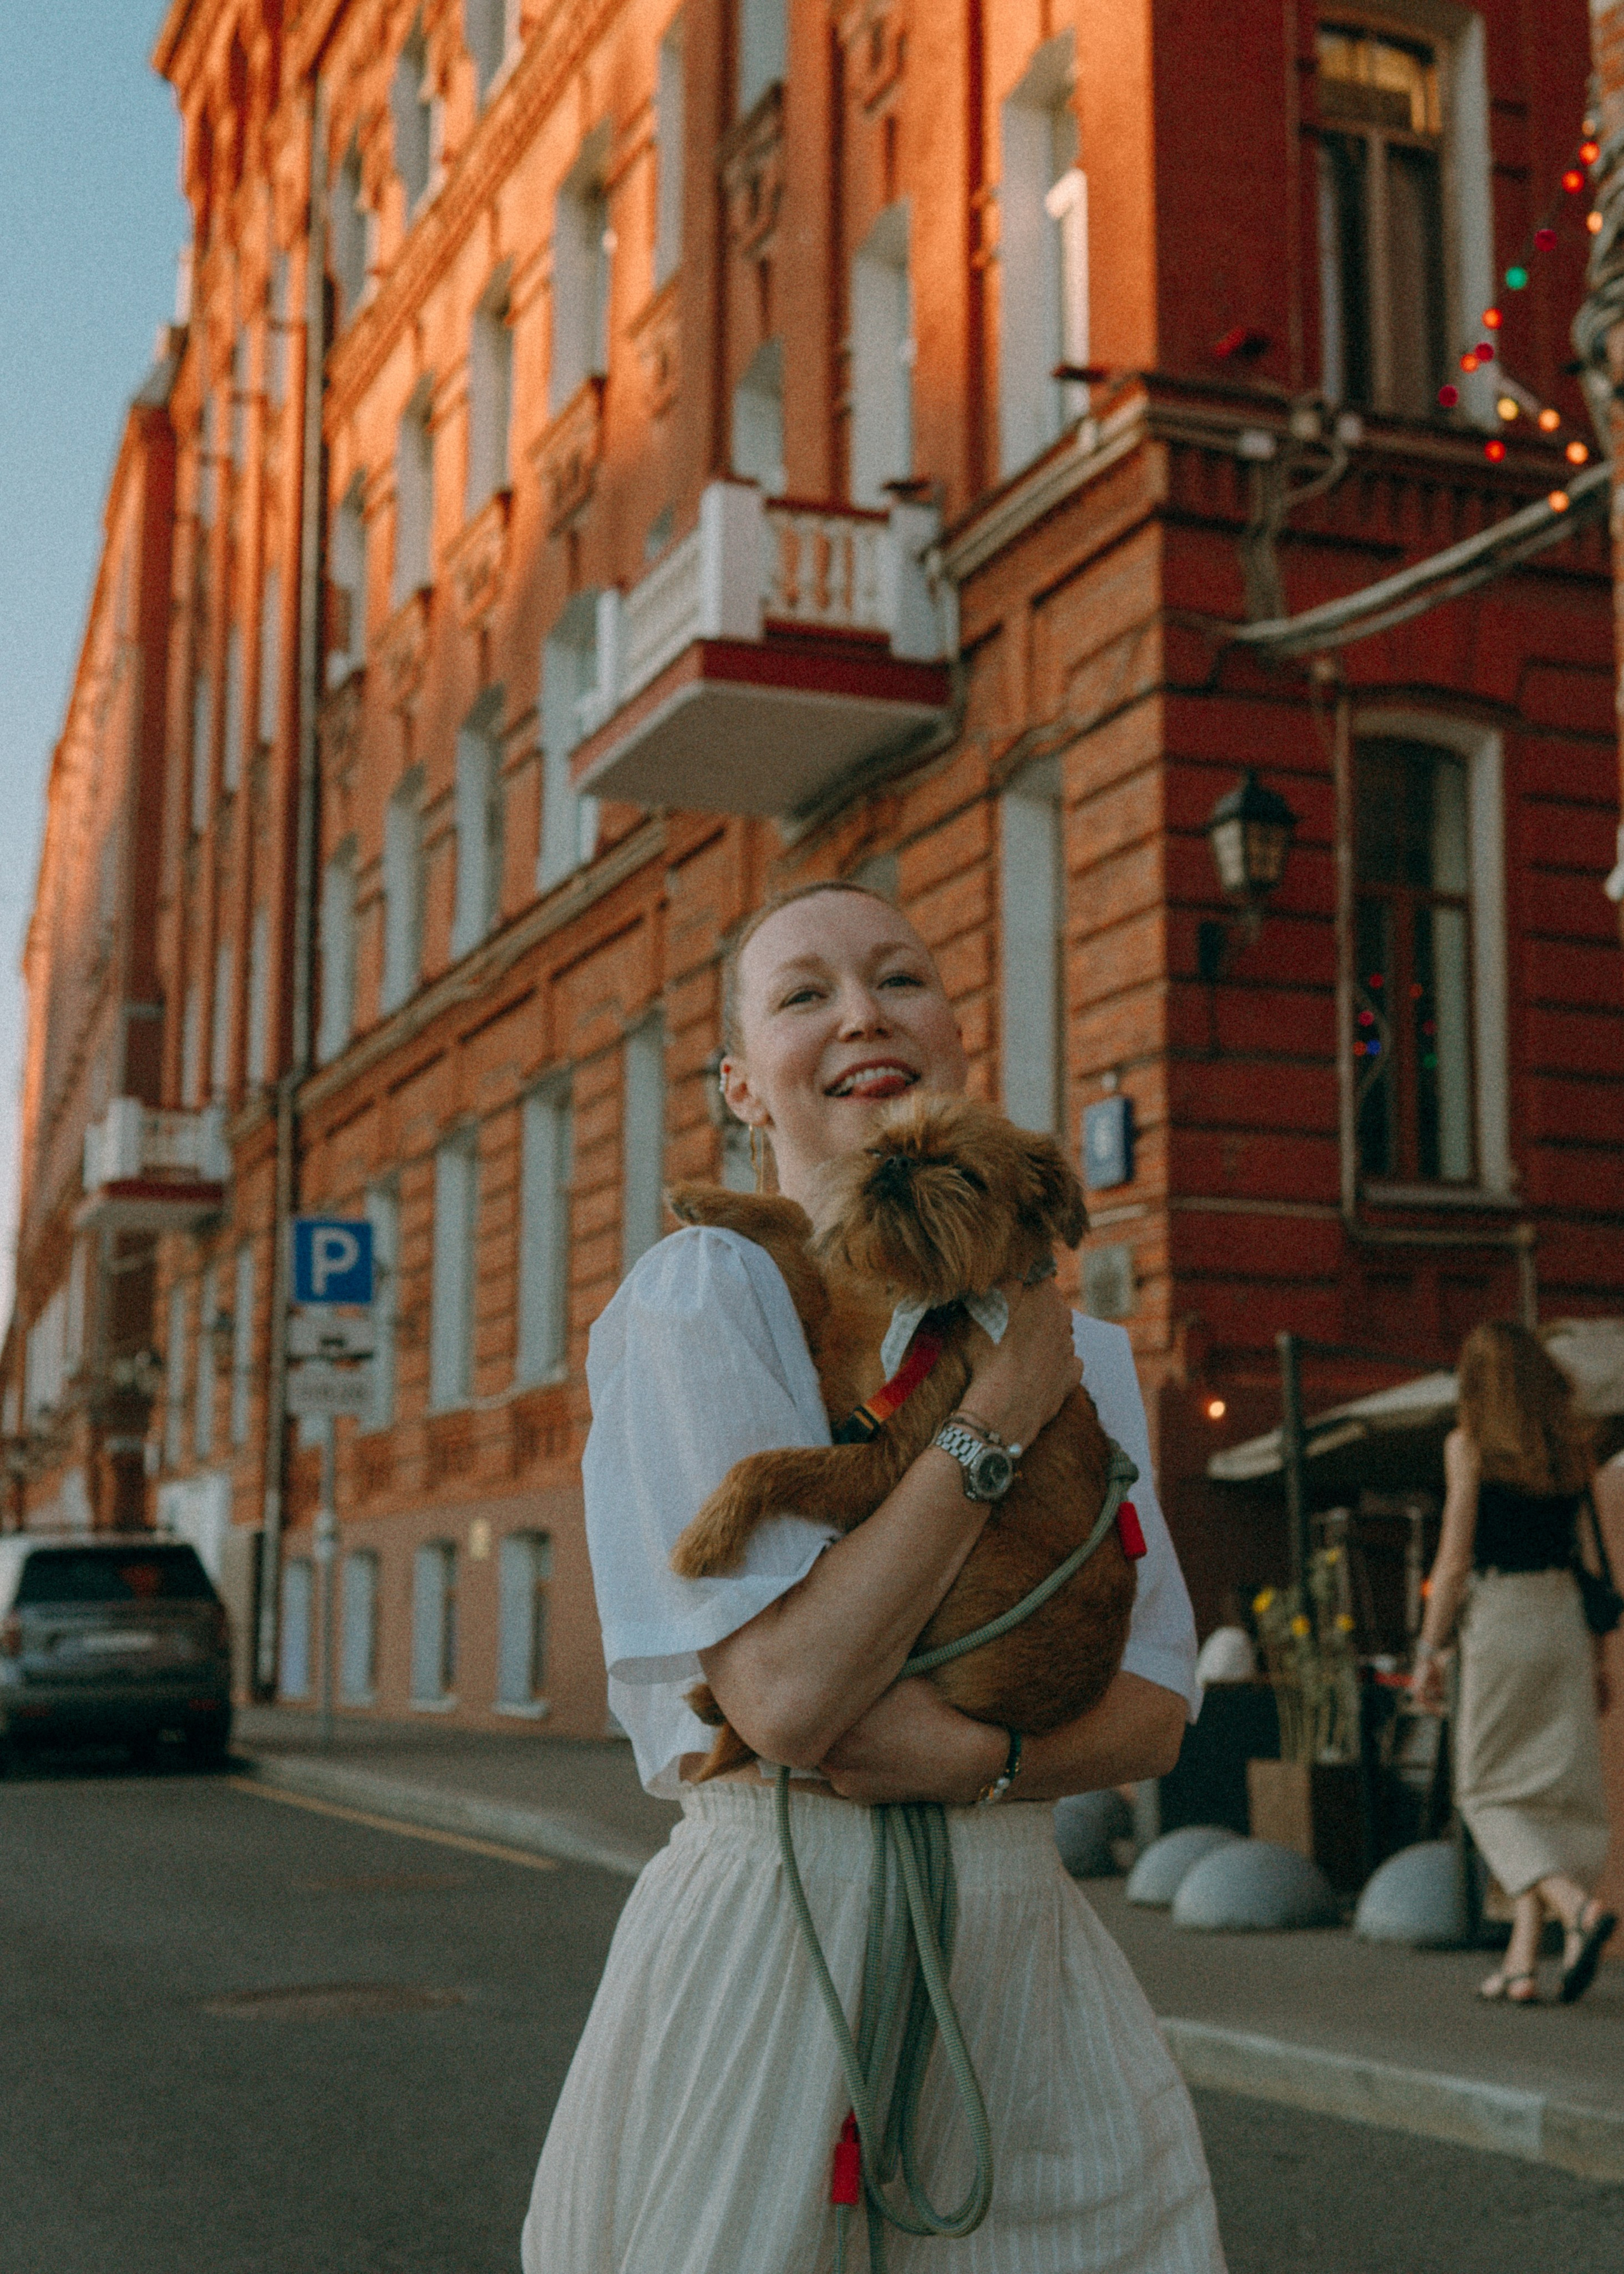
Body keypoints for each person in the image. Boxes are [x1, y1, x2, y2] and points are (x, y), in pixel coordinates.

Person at [521, 881, 1224, 2272]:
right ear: (742, 1085)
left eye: (901, 978)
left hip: (1020, 1948)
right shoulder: (708, 1292)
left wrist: (970, 1759)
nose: (862, 1014)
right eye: (804, 994)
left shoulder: (1080, 1348)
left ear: (953, 1034)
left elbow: (1155, 1709)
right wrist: (994, 1419)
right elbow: (788, 1700)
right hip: (782, 1937)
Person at [1411, 1320, 1616, 2005]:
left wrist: (1428, 1650)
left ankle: (1575, 1908)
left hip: (1501, 1619)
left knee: (1485, 1790)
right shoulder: (1571, 1448)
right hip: (1564, 1621)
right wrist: (1599, 1659)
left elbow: (1454, 1557)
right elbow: (1593, 1563)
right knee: (1554, 1789)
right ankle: (1522, 1962)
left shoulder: (1467, 1446)